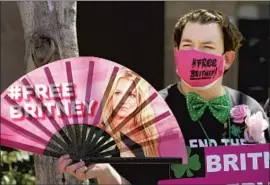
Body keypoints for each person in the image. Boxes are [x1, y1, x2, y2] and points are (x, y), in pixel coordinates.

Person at [57, 9, 269, 184]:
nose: (196, 55)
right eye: (187, 46)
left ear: (228, 58)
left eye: (207, 47)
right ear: (177, 54)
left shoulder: (251, 110)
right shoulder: (148, 113)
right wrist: (104, 173)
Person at [99, 69, 159, 158]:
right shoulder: (99, 133)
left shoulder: (149, 134)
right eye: (118, 93)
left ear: (140, 100)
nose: (123, 100)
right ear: (110, 97)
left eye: (131, 95)